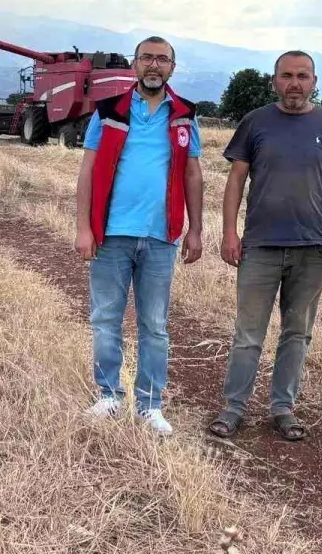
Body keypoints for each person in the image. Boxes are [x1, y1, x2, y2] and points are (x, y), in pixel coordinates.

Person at [208, 51, 322, 442]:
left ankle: (282, 408)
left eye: (303, 76)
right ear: (274, 81)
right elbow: (236, 180)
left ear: (314, 82)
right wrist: (229, 233)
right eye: (287, 75)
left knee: (297, 333)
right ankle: (234, 408)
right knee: (249, 334)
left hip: (312, 248)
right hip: (260, 246)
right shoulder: (255, 122)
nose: (295, 83)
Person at [74, 36, 204, 436]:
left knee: (155, 325)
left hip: (161, 238)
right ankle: (109, 396)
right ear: (134, 64)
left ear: (172, 68)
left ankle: (150, 405)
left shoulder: (184, 115)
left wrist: (196, 230)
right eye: (146, 57)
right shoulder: (108, 112)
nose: (154, 65)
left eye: (162, 59)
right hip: (111, 235)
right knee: (105, 319)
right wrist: (83, 227)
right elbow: (87, 171)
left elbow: (193, 174)